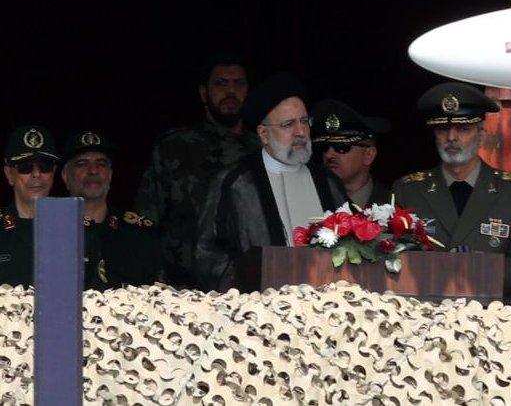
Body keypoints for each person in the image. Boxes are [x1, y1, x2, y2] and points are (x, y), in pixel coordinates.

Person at [195, 72, 347, 291]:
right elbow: (206, 254)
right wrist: (246, 283)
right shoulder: (235, 183)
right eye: (288, 124)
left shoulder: (328, 182)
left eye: (304, 121)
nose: (300, 132)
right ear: (264, 134)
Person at [391, 82, 511, 295]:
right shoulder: (409, 190)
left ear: (481, 134)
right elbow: (389, 257)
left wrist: (479, 270)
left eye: (463, 129)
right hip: (422, 315)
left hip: (489, 317)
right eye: (443, 128)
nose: (452, 137)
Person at [134, 53, 260, 287]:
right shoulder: (174, 148)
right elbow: (146, 222)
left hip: (249, 286)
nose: (230, 91)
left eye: (238, 84)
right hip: (182, 289)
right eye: (221, 83)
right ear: (204, 92)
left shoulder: (262, 151)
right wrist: (155, 280)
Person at [61, 130, 159, 289]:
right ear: (65, 176)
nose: (93, 171)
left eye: (101, 164)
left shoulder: (139, 234)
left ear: (111, 174)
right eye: (82, 164)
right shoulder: (50, 232)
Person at [0, 125, 59, 286]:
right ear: (9, 174)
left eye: (44, 166)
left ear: (53, 172)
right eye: (25, 167)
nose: (36, 174)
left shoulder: (76, 231)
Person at [310, 99, 391, 207]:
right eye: (324, 147)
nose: (329, 155)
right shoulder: (310, 201)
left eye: (341, 147)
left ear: (369, 155)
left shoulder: (393, 205)